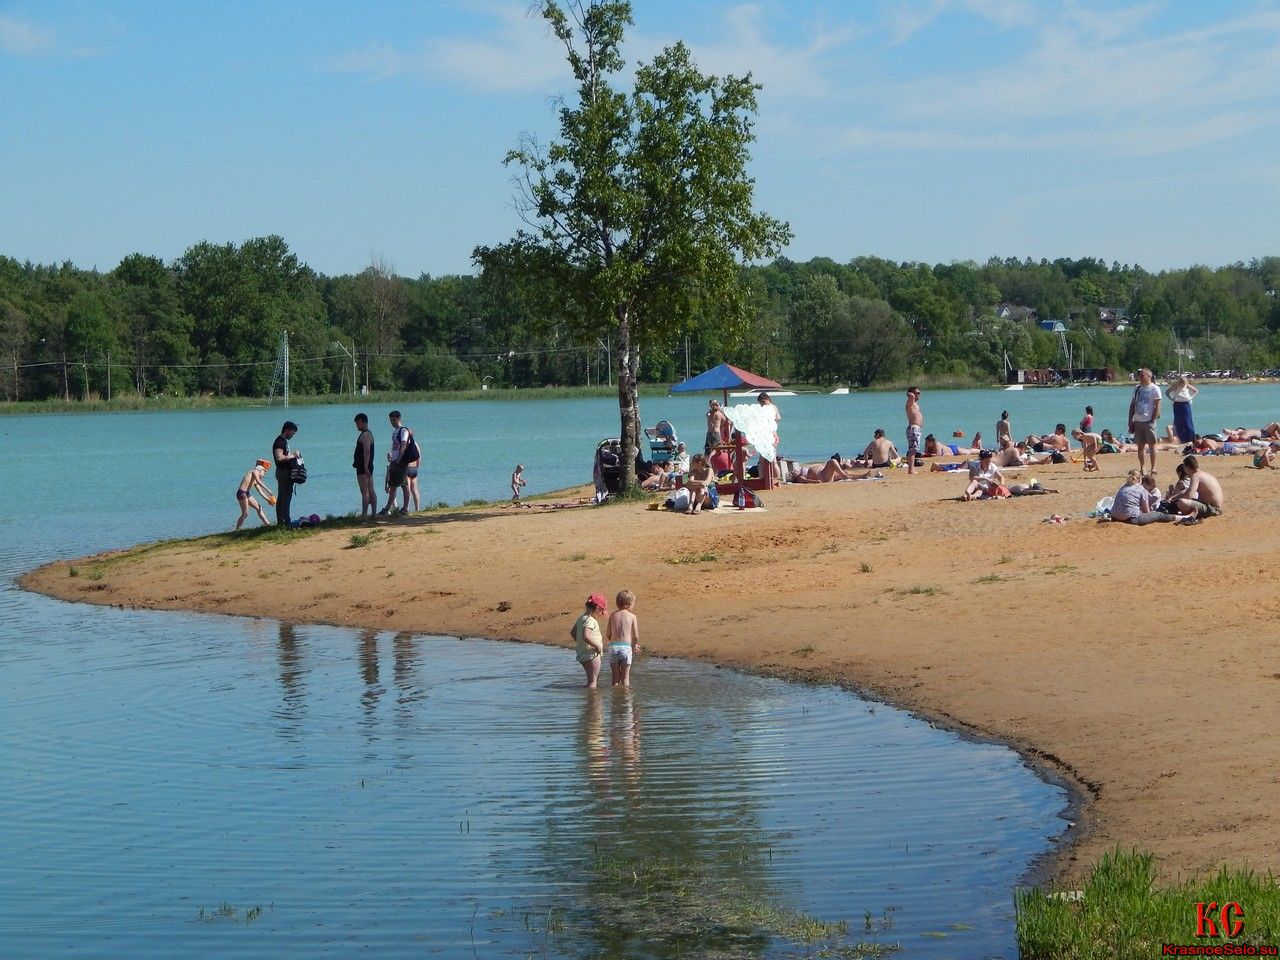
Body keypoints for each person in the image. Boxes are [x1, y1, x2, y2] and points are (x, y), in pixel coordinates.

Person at [1128, 367, 1162, 475]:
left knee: (1152, 445)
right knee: (1140, 446)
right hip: (1138, 420)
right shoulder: (1137, 388)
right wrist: (1130, 419)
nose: (1140, 378)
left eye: (1142, 375)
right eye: (1139, 376)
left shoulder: (1154, 388)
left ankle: (1153, 467)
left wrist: (1153, 418)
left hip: (1149, 420)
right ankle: (1142, 467)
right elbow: (1133, 404)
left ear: (1149, 376)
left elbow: (1157, 404)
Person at [380, 411, 414, 515]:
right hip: (394, 460)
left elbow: (403, 446)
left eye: (394, 420)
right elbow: (396, 446)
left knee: (403, 485)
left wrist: (398, 460)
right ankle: (389, 508)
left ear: (399, 419)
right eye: (391, 420)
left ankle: (404, 508)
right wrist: (391, 457)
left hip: (400, 461)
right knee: (394, 485)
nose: (392, 422)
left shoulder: (403, 430)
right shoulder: (395, 431)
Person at [1171, 455, 1224, 520]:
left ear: (1188, 467)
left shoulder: (1195, 476)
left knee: (1181, 502)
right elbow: (1187, 491)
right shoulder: (1202, 474)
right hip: (1214, 508)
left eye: (1184, 468)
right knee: (1183, 501)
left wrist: (1175, 500)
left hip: (1213, 509)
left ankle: (1190, 515)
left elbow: (1189, 496)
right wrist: (1173, 497)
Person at [570, 594, 606, 688]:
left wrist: (581, 643)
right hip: (592, 654)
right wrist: (597, 646)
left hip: (582, 653)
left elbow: (573, 633)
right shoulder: (590, 620)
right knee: (593, 681)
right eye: (602, 611)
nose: (601, 614)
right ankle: (593, 701)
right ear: (597, 608)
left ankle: (590, 700)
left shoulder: (581, 618)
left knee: (592, 679)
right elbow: (586, 636)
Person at [606, 589, 640, 687]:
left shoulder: (612, 615)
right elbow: (636, 636)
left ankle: (615, 701)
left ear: (617, 603)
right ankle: (626, 701)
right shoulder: (632, 617)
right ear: (628, 604)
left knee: (615, 678)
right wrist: (634, 645)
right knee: (625, 678)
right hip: (626, 647)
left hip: (613, 647)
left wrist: (613, 642)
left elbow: (608, 634)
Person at [272, 421, 301, 526]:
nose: (293, 436)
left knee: (282, 498)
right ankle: (286, 522)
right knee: (285, 498)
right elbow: (279, 457)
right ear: (287, 430)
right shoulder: (280, 442)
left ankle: (281, 521)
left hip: (283, 472)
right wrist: (293, 455)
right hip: (283, 473)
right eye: (292, 433)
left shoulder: (283, 441)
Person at [234, 463, 275, 529]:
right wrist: (267, 489)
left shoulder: (255, 480)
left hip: (247, 494)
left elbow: (261, 492)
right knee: (246, 513)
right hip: (242, 493)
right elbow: (259, 481)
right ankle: (237, 530)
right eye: (264, 472)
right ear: (260, 470)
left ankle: (268, 526)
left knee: (259, 508)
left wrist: (268, 500)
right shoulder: (253, 471)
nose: (264, 475)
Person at [353, 413, 376, 518]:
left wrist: (366, 466)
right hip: (367, 466)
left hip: (363, 467)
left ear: (363, 422)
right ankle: (374, 513)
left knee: (365, 491)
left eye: (358, 423)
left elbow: (367, 451)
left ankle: (365, 513)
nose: (357, 426)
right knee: (370, 489)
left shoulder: (366, 435)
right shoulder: (368, 434)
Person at [1165, 376, 1198, 443]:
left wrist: (1191, 397)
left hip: (1186, 404)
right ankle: (1180, 438)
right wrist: (1171, 398)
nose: (1183, 383)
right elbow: (1167, 392)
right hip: (1177, 404)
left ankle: (1191, 438)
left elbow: (1196, 391)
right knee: (1178, 421)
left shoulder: (1187, 386)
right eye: (1182, 382)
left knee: (1187, 421)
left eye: (1184, 382)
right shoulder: (1176, 386)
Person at [905, 387, 923, 475]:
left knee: (913, 449)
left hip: (916, 429)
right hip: (914, 428)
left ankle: (911, 468)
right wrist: (911, 393)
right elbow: (910, 395)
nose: (919, 394)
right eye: (917, 393)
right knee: (913, 449)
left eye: (919, 393)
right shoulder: (910, 402)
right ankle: (911, 469)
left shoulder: (915, 404)